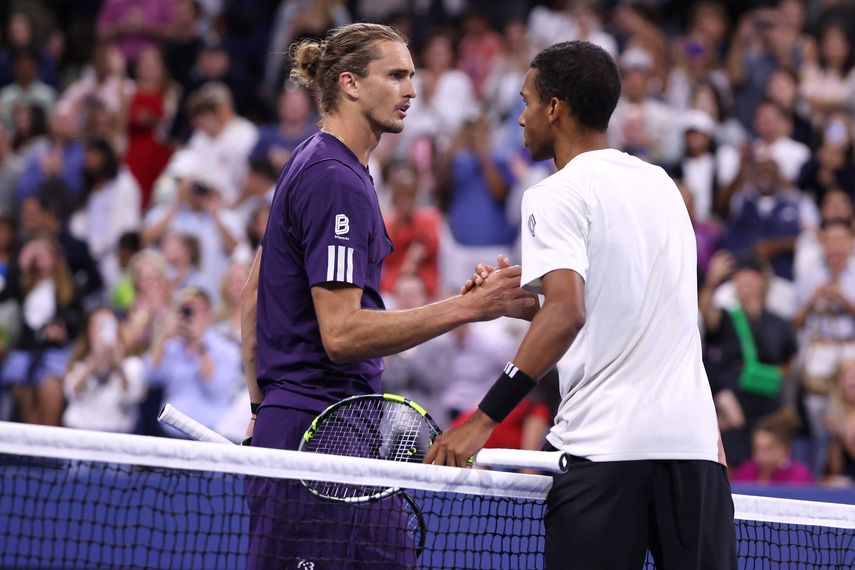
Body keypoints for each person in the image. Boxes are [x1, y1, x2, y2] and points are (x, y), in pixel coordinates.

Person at [426, 41, 736, 569]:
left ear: (554, 107)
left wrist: (482, 419)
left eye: (526, 102)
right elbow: (625, 299)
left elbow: (569, 313)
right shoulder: (662, 185)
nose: (520, 118)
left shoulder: (554, 194)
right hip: (694, 451)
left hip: (606, 452)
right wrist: (520, 296)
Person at [240, 23, 534, 569]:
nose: (412, 91)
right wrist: (469, 306)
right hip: (321, 436)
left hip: (319, 429)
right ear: (349, 84)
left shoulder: (315, 161)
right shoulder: (336, 179)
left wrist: (263, 408)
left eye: (413, 76)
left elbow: (253, 295)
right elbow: (343, 333)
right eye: (396, 75)